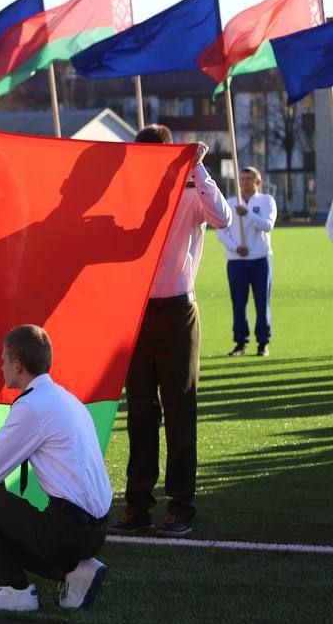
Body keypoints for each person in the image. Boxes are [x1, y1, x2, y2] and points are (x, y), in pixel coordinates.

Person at [111, 128, 231, 538]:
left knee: (180, 411)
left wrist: (197, 168)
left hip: (179, 312)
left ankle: (180, 507)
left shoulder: (190, 193)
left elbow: (223, 218)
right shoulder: (127, 199)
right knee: (141, 414)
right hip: (136, 316)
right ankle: (138, 505)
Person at [0, 325, 111, 613]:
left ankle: (14, 588)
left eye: (3, 360)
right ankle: (74, 572)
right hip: (96, 532)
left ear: (17, 365)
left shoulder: (32, 406)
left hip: (68, 532)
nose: (1, 366)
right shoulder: (66, 397)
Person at [214, 167, 277, 357]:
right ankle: (240, 342)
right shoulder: (230, 202)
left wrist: (247, 213)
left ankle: (263, 343)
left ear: (258, 182)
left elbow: (268, 225)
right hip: (237, 260)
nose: (245, 182)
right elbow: (221, 230)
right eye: (242, 179)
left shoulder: (266, 201)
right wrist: (235, 247)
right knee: (238, 303)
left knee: (262, 302)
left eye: (249, 178)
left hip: (259, 259)